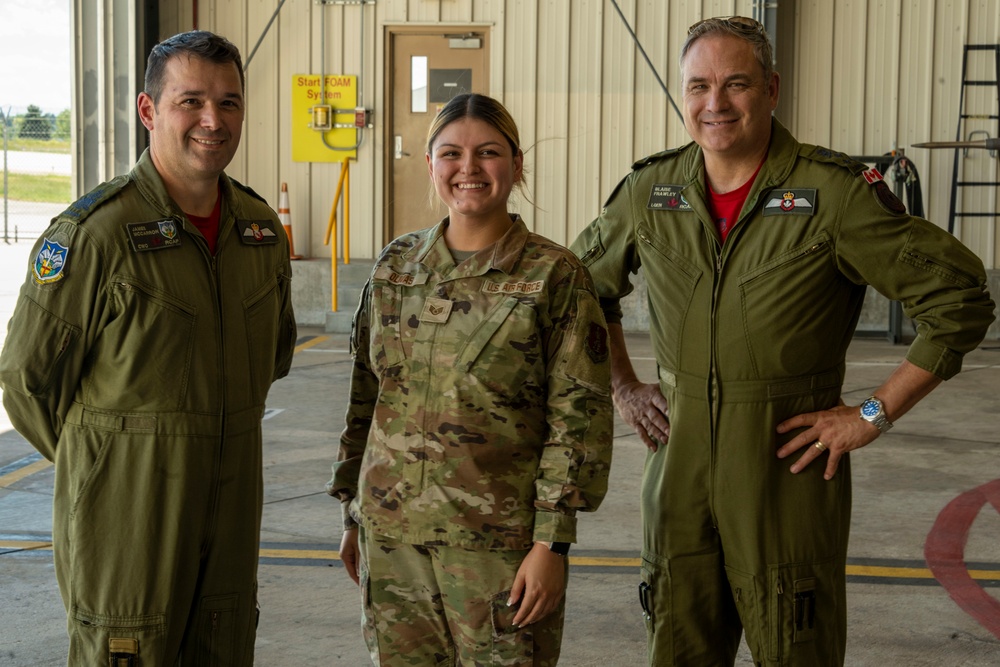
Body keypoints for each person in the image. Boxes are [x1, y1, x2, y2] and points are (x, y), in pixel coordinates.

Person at [570, 16, 995, 667]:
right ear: (683, 96)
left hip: (787, 472)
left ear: (771, 89)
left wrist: (873, 413)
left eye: (735, 84)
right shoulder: (651, 193)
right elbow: (578, 291)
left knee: (796, 648)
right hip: (677, 475)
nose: (715, 104)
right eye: (699, 86)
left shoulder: (832, 193)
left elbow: (961, 298)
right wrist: (624, 385)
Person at [0, 30, 297, 666]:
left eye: (230, 102)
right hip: (127, 521)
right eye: (190, 101)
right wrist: (110, 462)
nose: (213, 121)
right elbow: (27, 380)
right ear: (148, 111)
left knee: (224, 647)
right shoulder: (95, 235)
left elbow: (272, 357)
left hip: (232, 508)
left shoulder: (260, 231)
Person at [327, 93, 613, 666]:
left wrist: (551, 544)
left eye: (488, 153)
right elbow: (367, 398)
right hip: (394, 541)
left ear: (516, 164)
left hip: (498, 549)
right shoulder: (396, 268)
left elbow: (576, 419)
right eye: (451, 153)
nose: (469, 169)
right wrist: (352, 514)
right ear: (431, 165)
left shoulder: (553, 277)